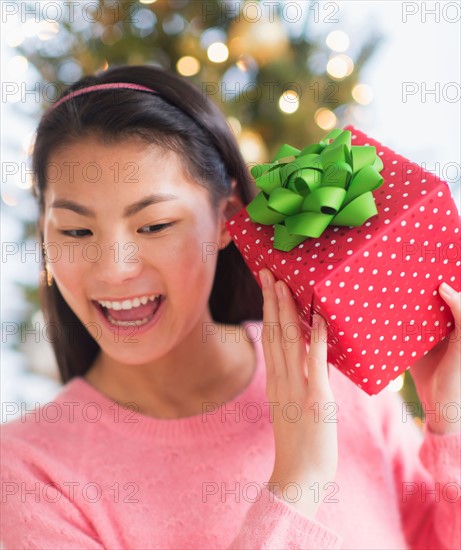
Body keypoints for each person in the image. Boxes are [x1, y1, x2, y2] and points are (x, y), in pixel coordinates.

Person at [1, 65, 460, 550]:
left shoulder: (329, 372)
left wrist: (448, 423)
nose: (113, 270)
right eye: (75, 231)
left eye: (154, 225)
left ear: (227, 219)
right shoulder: (31, 474)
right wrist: (295, 486)